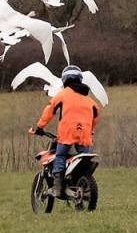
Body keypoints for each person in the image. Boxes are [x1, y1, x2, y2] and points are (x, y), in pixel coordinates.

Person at [28, 65, 100, 199]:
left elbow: (49, 111)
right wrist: (90, 129)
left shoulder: (62, 94)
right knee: (83, 159)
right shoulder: (89, 100)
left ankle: (58, 186)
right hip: (84, 133)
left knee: (60, 156)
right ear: (80, 79)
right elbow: (96, 116)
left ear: (65, 79)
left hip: (67, 132)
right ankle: (81, 184)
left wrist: (40, 127)